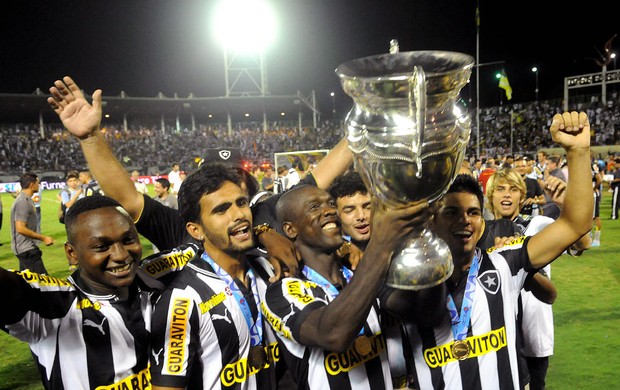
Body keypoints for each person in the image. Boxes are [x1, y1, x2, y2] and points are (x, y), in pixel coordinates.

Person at [48, 76, 354, 281]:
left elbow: (321, 174)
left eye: (235, 174)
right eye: (215, 178)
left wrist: (366, 119)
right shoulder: (179, 228)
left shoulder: (266, 212)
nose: (230, 184)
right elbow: (127, 199)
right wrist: (90, 137)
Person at [389, 111, 593, 389]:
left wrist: (579, 152)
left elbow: (575, 224)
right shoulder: (406, 277)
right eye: (452, 212)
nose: (465, 220)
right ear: (432, 219)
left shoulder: (505, 263)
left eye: (473, 212)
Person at [261, 184, 434, 389]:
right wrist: (382, 243)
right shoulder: (282, 291)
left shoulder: (357, 272)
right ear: (290, 229)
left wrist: (421, 238)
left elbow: (413, 308)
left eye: (331, 204)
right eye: (314, 207)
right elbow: (333, 335)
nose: (329, 211)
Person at [1, 195, 158, 389]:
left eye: (128, 240)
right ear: (72, 254)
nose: (121, 255)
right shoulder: (54, 306)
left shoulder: (157, 277)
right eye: (102, 246)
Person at [148, 164, 279, 389]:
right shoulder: (182, 300)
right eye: (221, 210)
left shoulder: (270, 268)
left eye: (241, 203)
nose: (238, 215)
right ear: (195, 230)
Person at [10, 173, 54, 274]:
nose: (39, 185)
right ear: (32, 185)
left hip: (27, 248)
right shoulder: (23, 202)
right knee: (43, 283)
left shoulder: (26, 199)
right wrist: (43, 238)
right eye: (37, 183)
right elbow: (20, 228)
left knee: (28, 285)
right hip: (26, 249)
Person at [327, 170, 371, 251]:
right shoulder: (332, 258)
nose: (361, 216)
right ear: (336, 215)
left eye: (368, 207)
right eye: (349, 210)